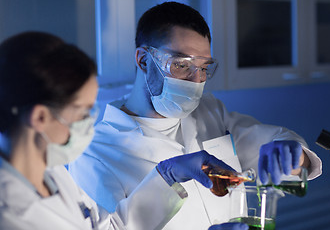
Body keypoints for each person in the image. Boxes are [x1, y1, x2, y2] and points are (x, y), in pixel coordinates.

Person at [69, 2, 322, 229]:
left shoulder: (210, 111)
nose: (196, 81)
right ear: (144, 60)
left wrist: (292, 154)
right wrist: (163, 178)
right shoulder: (93, 154)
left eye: (203, 68)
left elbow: (277, 147)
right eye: (181, 65)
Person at [0, 31, 248, 230]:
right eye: (82, 113)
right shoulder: (10, 215)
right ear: (40, 117)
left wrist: (168, 174)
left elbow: (111, 228)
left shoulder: (51, 174)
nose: (89, 123)